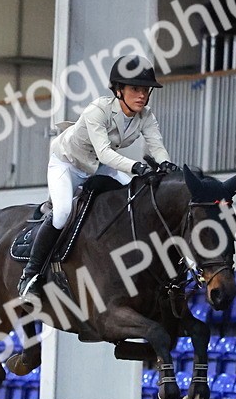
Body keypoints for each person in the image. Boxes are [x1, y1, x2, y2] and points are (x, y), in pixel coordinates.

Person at [18, 54, 179, 298]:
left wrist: (166, 163)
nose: (143, 95)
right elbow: (104, 153)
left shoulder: (146, 116)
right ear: (118, 90)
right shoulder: (98, 110)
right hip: (68, 163)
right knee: (61, 213)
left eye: (146, 90)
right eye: (135, 89)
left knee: (136, 196)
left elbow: (156, 145)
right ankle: (30, 276)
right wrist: (135, 167)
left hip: (98, 166)